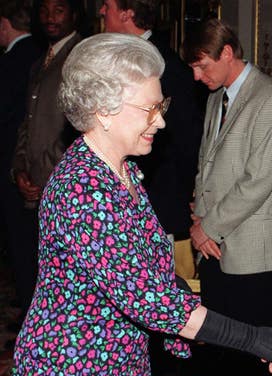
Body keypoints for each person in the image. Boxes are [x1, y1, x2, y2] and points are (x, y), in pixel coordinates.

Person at [11, 33, 272, 376]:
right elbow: (149, 299)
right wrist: (256, 339)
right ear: (104, 110)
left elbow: (150, 271)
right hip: (75, 372)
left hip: (118, 363)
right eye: (149, 109)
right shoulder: (82, 189)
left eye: (161, 105)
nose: (161, 121)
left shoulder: (125, 172)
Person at [184, 19, 272, 376]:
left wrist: (206, 226)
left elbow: (258, 180)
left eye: (202, 66)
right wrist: (199, 217)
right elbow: (206, 164)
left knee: (253, 363)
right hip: (213, 245)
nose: (197, 76)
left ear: (227, 54)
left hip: (252, 252)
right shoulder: (217, 95)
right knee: (222, 354)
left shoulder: (270, 98)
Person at [100, 0, 204, 279]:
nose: (101, 11)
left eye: (106, 5)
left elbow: (184, 144)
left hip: (161, 211)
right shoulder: (123, 60)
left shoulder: (167, 66)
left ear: (127, 13)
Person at [9, 0, 83, 322]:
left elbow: (78, 127)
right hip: (35, 187)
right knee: (35, 272)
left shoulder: (81, 56)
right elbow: (27, 123)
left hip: (62, 186)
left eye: (59, 10)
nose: (50, 18)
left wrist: (44, 175)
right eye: (44, 11)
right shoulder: (39, 62)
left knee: (65, 281)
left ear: (74, 14)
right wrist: (20, 169)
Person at [0, 0, 44, 326]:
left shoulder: (13, 61)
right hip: (28, 166)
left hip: (19, 168)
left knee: (24, 249)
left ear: (5, 25)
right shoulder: (39, 55)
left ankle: (32, 319)